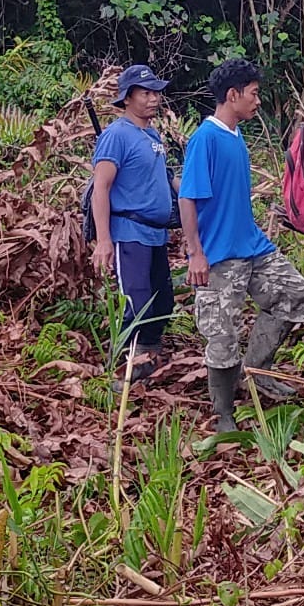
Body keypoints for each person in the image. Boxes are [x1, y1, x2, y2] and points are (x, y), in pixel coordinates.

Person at [179, 58, 304, 431]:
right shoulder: (205, 138)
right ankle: (223, 412)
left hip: (253, 247)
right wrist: (196, 254)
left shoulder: (237, 137)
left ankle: (255, 371)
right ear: (233, 94)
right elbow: (187, 198)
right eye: (253, 94)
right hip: (220, 255)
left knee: (296, 296)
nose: (258, 101)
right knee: (222, 333)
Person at [90, 64, 176, 383]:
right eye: (146, 93)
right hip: (129, 233)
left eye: (156, 92)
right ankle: (123, 371)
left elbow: (164, 180)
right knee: (137, 301)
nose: (154, 99)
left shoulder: (152, 134)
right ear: (127, 98)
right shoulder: (116, 136)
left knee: (162, 300)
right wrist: (103, 240)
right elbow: (102, 187)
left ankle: (147, 360)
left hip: (156, 234)